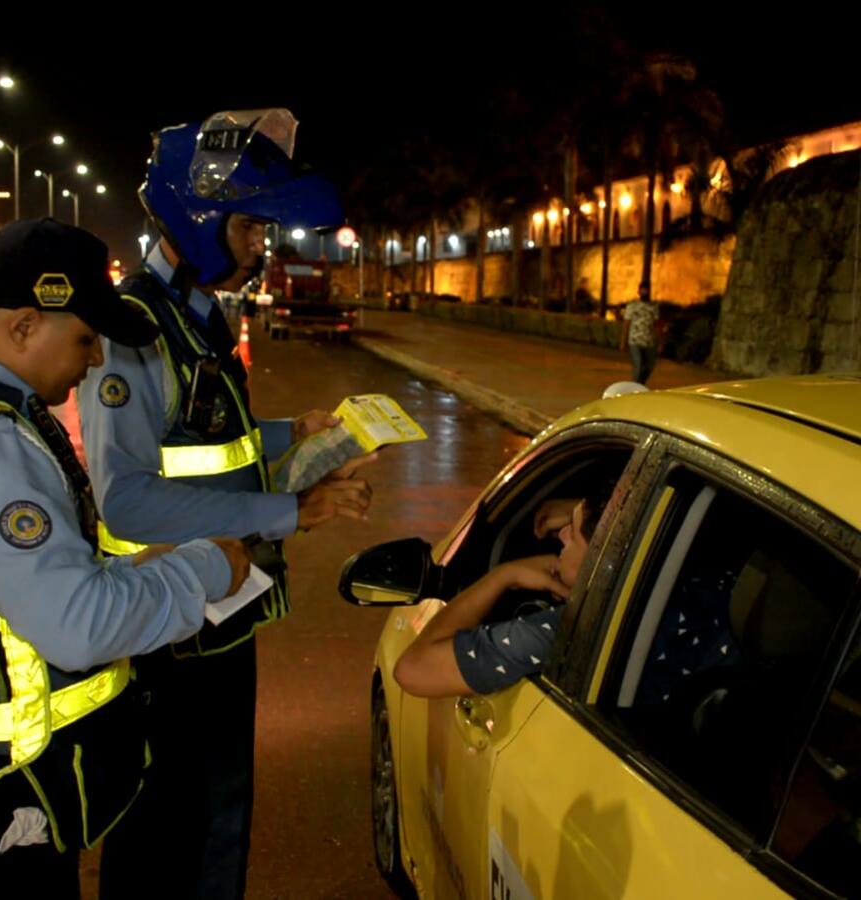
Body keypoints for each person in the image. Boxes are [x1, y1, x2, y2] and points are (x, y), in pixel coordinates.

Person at [0, 218, 253, 899]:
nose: (96, 360)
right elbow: (79, 625)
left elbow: (12, 589)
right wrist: (207, 569)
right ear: (23, 326)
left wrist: (131, 570)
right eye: (85, 338)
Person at [78, 109, 374, 898]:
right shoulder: (135, 330)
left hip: (220, 615)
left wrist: (292, 433)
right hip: (163, 631)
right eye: (248, 227)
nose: (259, 246)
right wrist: (291, 513)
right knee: (162, 832)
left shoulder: (198, 320)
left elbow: (207, 434)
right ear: (198, 220)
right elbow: (126, 501)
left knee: (217, 820)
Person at [393, 492, 608, 698]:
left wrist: (503, 576)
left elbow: (413, 670)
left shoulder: (557, 631)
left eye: (574, 533)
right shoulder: (615, 616)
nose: (562, 534)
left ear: (598, 556)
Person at [620, 283, 661, 386]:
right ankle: (634, 387)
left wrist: (660, 342)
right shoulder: (632, 306)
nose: (644, 292)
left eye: (646, 290)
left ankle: (640, 384)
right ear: (639, 291)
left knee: (649, 366)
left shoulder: (653, 307)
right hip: (635, 341)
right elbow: (626, 324)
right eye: (642, 290)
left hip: (649, 342)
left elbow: (656, 325)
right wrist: (623, 342)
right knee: (638, 366)